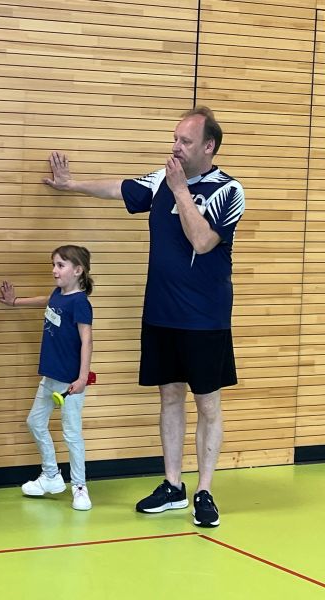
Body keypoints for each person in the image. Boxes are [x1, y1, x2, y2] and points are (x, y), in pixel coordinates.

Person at [43, 106, 245, 528]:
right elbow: (119, 188)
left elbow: (203, 241)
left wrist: (181, 190)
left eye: (185, 141)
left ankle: (204, 491)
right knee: (169, 396)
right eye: (175, 138)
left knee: (207, 403)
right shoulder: (160, 180)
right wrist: (72, 184)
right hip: (161, 314)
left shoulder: (228, 190)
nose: (176, 147)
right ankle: (173, 486)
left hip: (205, 319)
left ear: (209, 146)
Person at [0, 245, 94, 511]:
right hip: (49, 377)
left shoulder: (80, 303)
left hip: (70, 383)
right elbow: (48, 301)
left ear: (78, 270)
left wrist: (82, 378)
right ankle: (51, 475)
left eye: (60, 265)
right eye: (54, 264)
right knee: (34, 422)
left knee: (71, 434)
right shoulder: (58, 294)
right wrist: (15, 302)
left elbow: (87, 341)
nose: (54, 270)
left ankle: (79, 486)